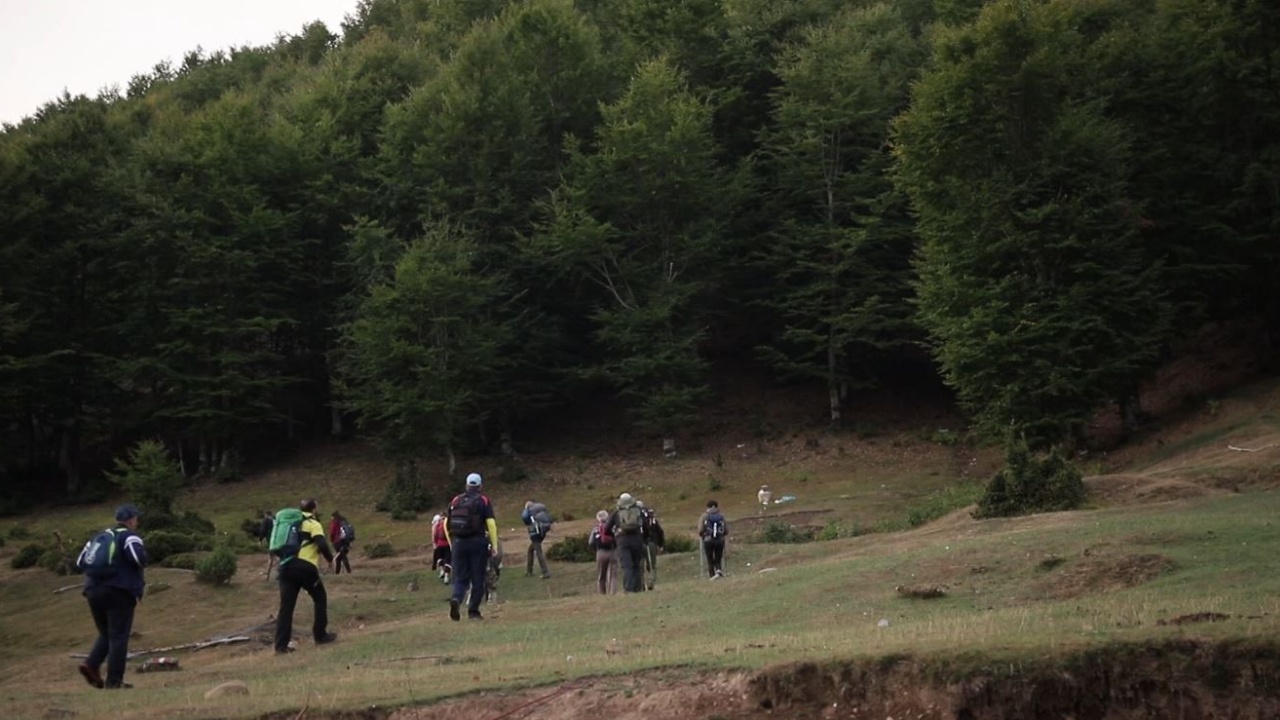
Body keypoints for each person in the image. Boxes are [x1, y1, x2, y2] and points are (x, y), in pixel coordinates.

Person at [76, 503, 148, 690]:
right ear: (131, 520)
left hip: (92, 590)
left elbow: (80, 561)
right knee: (119, 636)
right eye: (136, 519)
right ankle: (114, 682)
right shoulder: (129, 536)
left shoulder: (99, 537)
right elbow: (138, 558)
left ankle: (91, 664)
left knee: (106, 633)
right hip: (119, 591)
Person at [274, 498, 337, 654]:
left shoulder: (290, 524)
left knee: (286, 607)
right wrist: (331, 560)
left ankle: (281, 646)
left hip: (285, 566)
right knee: (320, 597)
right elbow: (321, 544)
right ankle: (320, 635)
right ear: (314, 509)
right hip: (304, 566)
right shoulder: (312, 523)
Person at [445, 473, 499, 621]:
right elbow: (491, 524)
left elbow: (445, 524)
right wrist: (494, 545)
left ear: (466, 485)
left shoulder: (456, 500)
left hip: (458, 543)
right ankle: (473, 612)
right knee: (477, 578)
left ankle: (456, 598)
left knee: (460, 578)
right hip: (478, 543)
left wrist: (452, 544)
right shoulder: (483, 500)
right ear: (480, 486)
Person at [606, 493, 647, 593]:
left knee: (626, 566)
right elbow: (645, 524)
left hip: (622, 540)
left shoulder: (616, 512)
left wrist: (614, 536)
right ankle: (638, 588)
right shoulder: (638, 510)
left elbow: (607, 529)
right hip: (637, 539)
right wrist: (644, 537)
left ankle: (628, 588)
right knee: (637, 565)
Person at [520, 500, 552, 579]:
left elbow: (525, 519)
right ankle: (529, 571)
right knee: (531, 550)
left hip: (535, 533)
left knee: (538, 552)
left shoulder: (529, 510)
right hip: (542, 531)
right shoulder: (541, 509)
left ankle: (546, 572)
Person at [637, 500, 665, 591]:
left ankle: (641, 584)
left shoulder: (635, 517)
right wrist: (661, 544)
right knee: (651, 564)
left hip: (639, 543)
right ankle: (651, 582)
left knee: (640, 565)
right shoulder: (651, 519)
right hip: (651, 542)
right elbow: (660, 531)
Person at [587, 509, 617, 594]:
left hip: (601, 552)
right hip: (612, 551)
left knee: (601, 575)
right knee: (613, 575)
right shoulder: (612, 527)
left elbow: (591, 542)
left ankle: (601, 593)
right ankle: (612, 593)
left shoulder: (596, 529)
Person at [697, 499, 728, 578]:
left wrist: (702, 534)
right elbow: (726, 530)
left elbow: (700, 529)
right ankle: (718, 570)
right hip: (720, 540)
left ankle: (712, 575)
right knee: (718, 556)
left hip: (708, 540)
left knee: (709, 557)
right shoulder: (721, 516)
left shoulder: (704, 516)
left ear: (708, 507)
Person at [430, 513, 452, 584]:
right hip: (448, 545)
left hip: (439, 544)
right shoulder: (449, 523)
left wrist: (435, 543)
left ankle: (442, 571)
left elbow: (435, 534)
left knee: (440, 558)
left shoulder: (437, 524)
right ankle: (446, 577)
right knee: (448, 561)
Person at [259, 511, 276, 581]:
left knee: (271, 557)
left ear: (266, 515)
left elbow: (263, 530)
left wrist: (260, 539)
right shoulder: (275, 520)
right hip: (279, 540)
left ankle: (268, 575)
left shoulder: (266, 520)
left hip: (271, 540)